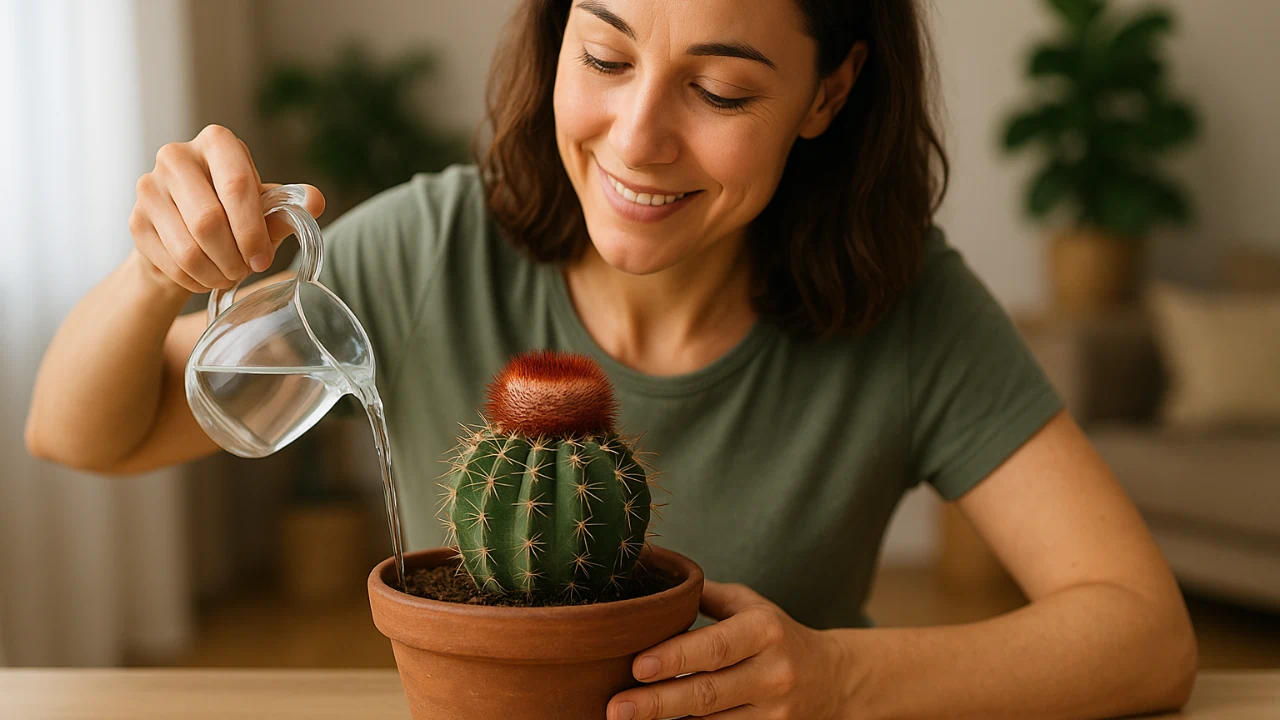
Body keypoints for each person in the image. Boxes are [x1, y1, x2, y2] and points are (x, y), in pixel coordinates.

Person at [27, 0, 1197, 717]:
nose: (636, 139)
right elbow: (85, 433)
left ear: (827, 93)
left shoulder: (908, 306)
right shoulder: (430, 246)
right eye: (604, 56)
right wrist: (153, 273)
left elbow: (1142, 633)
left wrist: (839, 684)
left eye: (720, 87)